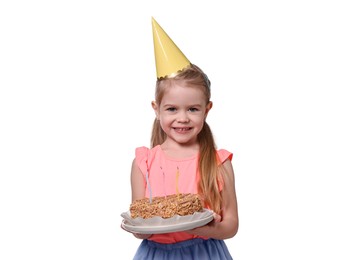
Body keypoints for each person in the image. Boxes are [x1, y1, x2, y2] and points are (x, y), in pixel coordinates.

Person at [122, 17, 239, 259]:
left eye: (193, 109)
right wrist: (137, 230)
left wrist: (206, 228)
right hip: (157, 254)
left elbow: (231, 226)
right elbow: (140, 220)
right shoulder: (143, 163)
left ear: (207, 109)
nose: (182, 118)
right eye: (172, 109)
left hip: (205, 252)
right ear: (157, 109)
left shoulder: (219, 163)